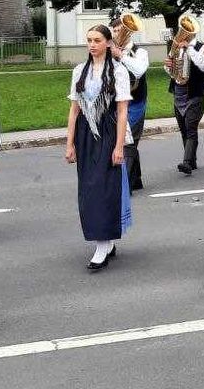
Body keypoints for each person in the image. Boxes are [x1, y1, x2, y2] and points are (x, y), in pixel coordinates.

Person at [67, 24, 133, 272]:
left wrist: (118, 147)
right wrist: (69, 143)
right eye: (89, 40)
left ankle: (103, 244)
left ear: (108, 43)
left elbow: (123, 111)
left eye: (97, 40)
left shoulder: (118, 71)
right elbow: (74, 111)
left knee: (104, 188)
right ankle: (102, 240)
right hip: (85, 133)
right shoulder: (78, 71)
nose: (92, 45)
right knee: (88, 189)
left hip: (107, 131)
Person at [167, 20, 204, 175]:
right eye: (183, 30)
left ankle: (187, 162)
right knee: (183, 129)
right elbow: (170, 70)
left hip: (195, 92)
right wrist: (168, 65)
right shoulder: (175, 45)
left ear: (193, 33)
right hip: (179, 92)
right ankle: (191, 160)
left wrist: (188, 49)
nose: (184, 34)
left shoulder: (201, 47)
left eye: (187, 31)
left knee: (191, 128)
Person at [112, 18, 150, 191]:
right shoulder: (109, 52)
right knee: (126, 141)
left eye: (121, 29)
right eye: (115, 31)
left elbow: (139, 70)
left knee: (129, 142)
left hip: (135, 101)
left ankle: (125, 184)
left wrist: (121, 56)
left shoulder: (140, 52)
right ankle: (136, 180)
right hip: (117, 103)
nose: (118, 33)